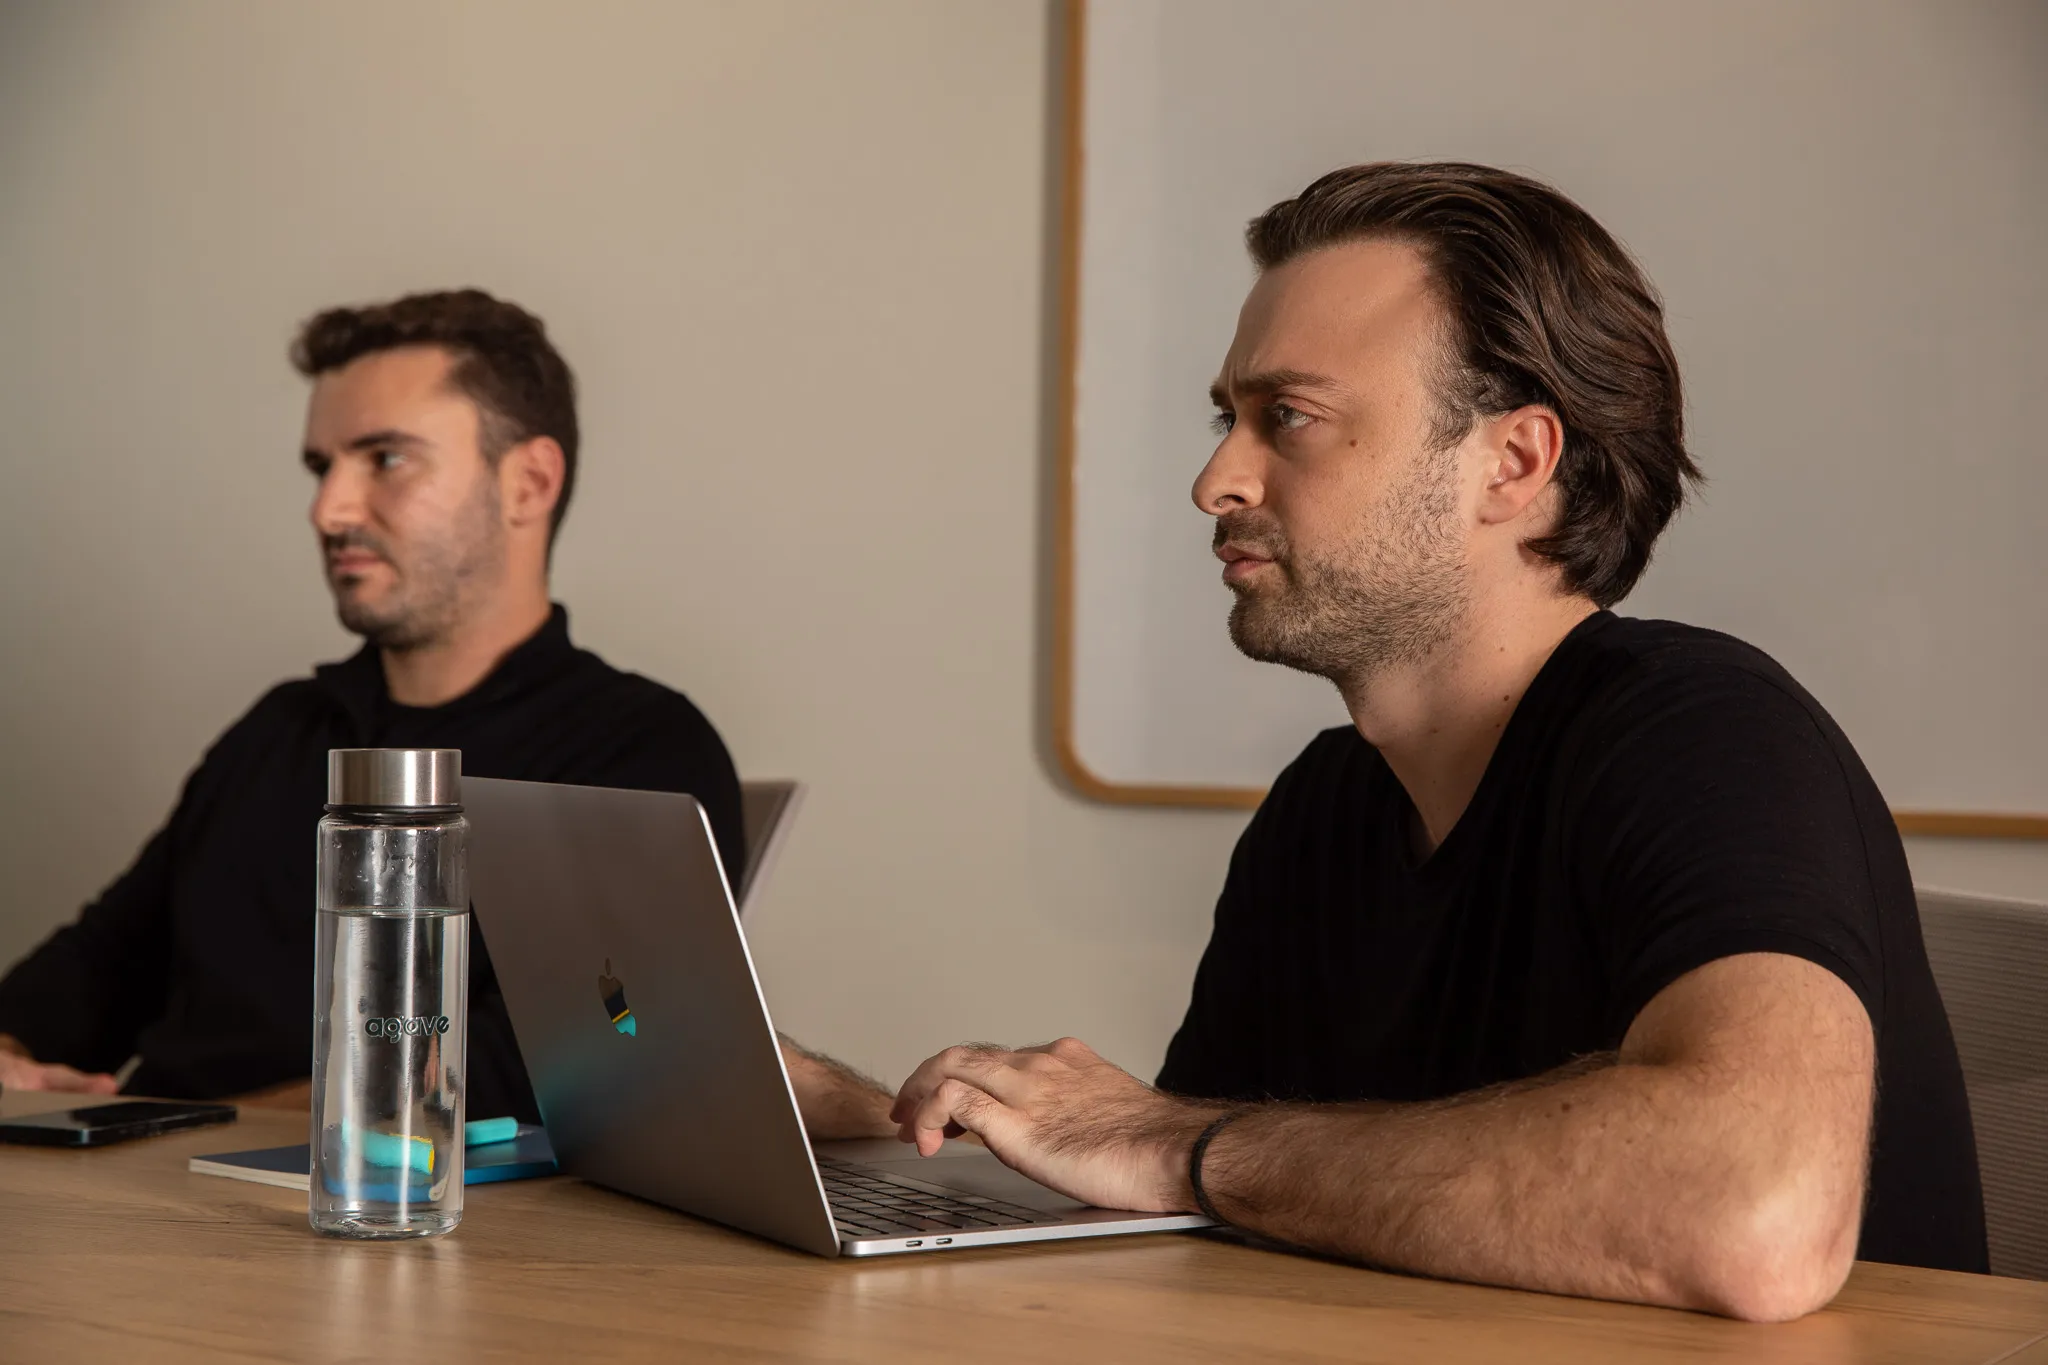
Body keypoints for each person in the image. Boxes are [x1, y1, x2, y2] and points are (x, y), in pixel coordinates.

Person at [789, 163, 1985, 1322]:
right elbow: (1205, 1206)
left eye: (1288, 418)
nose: (1214, 479)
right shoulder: (1323, 808)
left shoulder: (1703, 734)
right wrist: (878, 1122)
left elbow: (1752, 1213)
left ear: (1510, 464)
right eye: (1227, 417)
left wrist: (1175, 1143)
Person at [0, 289, 743, 1122]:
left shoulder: (636, 752)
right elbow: (90, 974)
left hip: (397, 1222)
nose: (330, 509)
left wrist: (186, 1129)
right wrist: (11, 1055)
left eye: (385, 458)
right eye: (323, 467)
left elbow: (562, 1070)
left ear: (528, 482)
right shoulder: (279, 731)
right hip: (150, 1204)